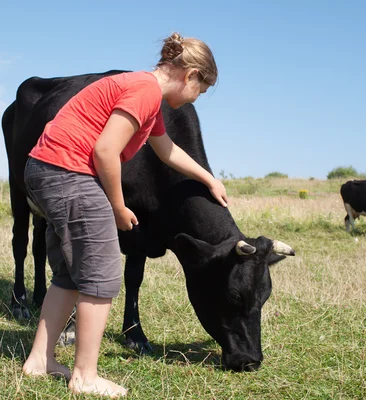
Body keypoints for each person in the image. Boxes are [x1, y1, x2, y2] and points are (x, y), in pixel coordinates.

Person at [21, 32, 227, 398]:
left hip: (46, 169)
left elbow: (166, 150)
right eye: (202, 90)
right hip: (69, 173)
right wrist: (117, 206)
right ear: (191, 75)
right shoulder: (145, 91)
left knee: (71, 273)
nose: (197, 98)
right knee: (101, 275)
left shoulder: (143, 93)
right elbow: (105, 151)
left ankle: (40, 360)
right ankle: (85, 376)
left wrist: (209, 178)